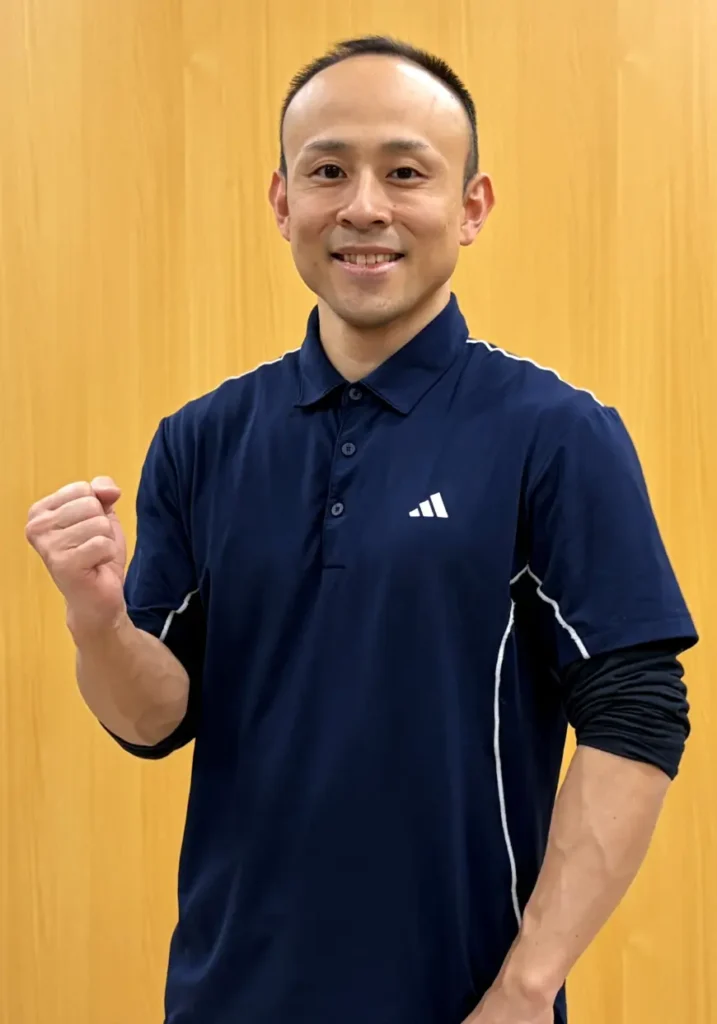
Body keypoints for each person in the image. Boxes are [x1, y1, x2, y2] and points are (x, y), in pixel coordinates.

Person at [25, 35, 697, 1024]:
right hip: (224, 1000)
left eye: (407, 173)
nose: (365, 207)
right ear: (281, 201)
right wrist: (97, 622)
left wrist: (525, 989)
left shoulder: (554, 434)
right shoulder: (201, 439)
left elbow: (637, 712)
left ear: (471, 207)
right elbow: (154, 721)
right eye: (328, 171)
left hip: (463, 1003)